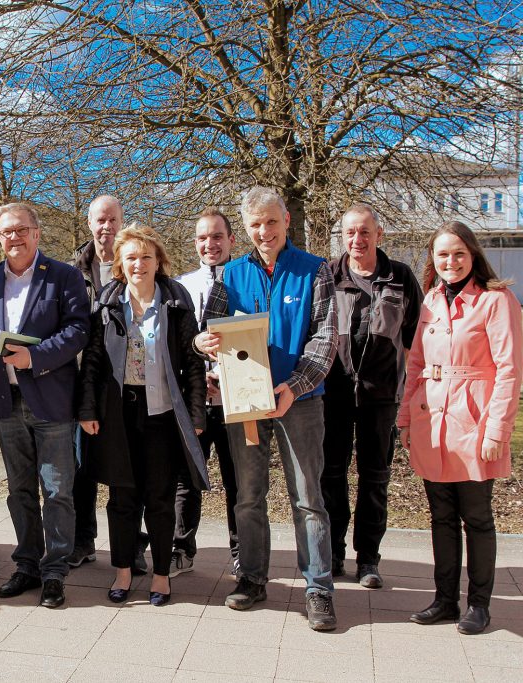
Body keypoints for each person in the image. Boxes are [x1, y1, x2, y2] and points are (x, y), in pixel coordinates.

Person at [196, 186, 339, 631]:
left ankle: (318, 589)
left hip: (300, 402)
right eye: (255, 225)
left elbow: (326, 339)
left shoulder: (315, 270)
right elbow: (209, 335)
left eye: (271, 222)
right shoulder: (230, 275)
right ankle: (253, 580)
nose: (264, 231)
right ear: (246, 228)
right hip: (246, 402)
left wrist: (294, 387)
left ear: (286, 222)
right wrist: (203, 346)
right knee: (248, 496)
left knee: (308, 498)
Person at [399, 221, 521, 636]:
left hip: (475, 422)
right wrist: (404, 419)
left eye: (458, 254)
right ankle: (445, 599)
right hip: (431, 419)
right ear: (432, 259)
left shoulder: (496, 300)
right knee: (441, 516)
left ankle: (479, 604)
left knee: (477, 517)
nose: (450, 262)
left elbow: (509, 371)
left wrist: (497, 430)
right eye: (442, 255)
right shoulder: (431, 299)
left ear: (472, 255)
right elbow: (415, 364)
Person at [78, 224, 207, 606]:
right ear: (120, 263)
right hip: (118, 414)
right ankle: (121, 572)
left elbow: (193, 361)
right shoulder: (107, 301)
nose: (139, 264)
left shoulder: (176, 300)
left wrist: (196, 414)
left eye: (146, 257)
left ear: (158, 261)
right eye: (131, 257)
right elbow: (93, 362)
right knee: (122, 498)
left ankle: (162, 576)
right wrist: (87, 408)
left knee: (160, 498)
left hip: (163, 415)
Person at [0, 202, 90, 609]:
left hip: (51, 400)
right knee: (20, 490)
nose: (14, 237)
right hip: (5, 401)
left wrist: (34, 357)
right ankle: (27, 565)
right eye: (6, 231)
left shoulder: (64, 276)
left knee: (57, 490)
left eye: (21, 230)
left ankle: (55, 571)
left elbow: (78, 330)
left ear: (37, 233)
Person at [322, 204, 422, 589]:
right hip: (334, 394)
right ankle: (332, 554)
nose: (357, 240)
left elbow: (416, 340)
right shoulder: (329, 276)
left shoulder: (401, 277)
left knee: (374, 478)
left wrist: (409, 395)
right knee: (331, 476)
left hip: (381, 397)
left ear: (379, 234)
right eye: (350, 233)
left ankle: (368, 560)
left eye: (364, 232)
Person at [174, 207, 239, 577]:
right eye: (202, 237)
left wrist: (227, 375)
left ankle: (241, 553)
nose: (209, 244)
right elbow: (178, 346)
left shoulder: (245, 281)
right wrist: (199, 379)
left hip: (235, 401)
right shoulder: (182, 287)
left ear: (231, 239)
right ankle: (181, 549)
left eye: (217, 236)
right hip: (195, 400)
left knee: (238, 483)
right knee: (186, 479)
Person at [68, 195, 122, 569]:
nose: (106, 227)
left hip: (123, 382)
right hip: (80, 381)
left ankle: (130, 542)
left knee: (125, 466)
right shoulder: (71, 271)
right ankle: (82, 540)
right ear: (90, 223)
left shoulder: (133, 263)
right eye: (100, 220)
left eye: (113, 220)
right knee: (81, 467)